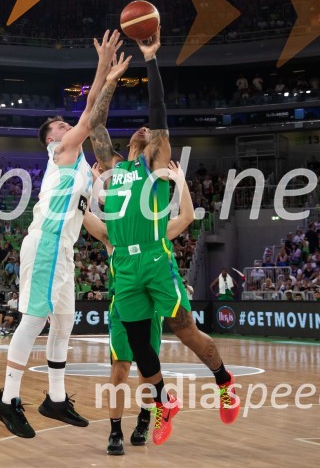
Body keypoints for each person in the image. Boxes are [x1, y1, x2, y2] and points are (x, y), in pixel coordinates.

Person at [89, 28, 239, 446]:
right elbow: (96, 123)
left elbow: (158, 114)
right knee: (138, 346)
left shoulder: (155, 167)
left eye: (148, 131)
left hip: (155, 259)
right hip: (124, 266)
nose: (143, 129)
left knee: (184, 328)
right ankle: (162, 399)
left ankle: (223, 380)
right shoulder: (113, 170)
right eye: (138, 131)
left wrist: (151, 59)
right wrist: (112, 80)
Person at [0, 29, 128, 439]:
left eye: (66, 125)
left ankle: (54, 397)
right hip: (46, 241)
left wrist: (106, 232)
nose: (67, 126)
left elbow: (91, 123)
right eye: (61, 126)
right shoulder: (61, 151)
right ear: (51, 138)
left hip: (63, 249)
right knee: (33, 321)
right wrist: (106, 69)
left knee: (65, 321)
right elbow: (90, 115)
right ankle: (8, 400)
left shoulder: (80, 167)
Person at [83, 160, 194, 455]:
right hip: (121, 307)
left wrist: (179, 181)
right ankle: (115, 431)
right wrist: (88, 183)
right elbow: (83, 215)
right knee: (119, 370)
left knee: (147, 371)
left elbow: (186, 218)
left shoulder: (154, 231)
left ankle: (145, 418)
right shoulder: (112, 234)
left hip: (149, 308)